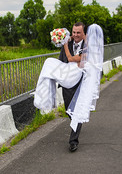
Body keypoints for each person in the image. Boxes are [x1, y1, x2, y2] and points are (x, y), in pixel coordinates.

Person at [33, 22, 104, 152]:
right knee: (68, 110)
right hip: (68, 81)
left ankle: (73, 141)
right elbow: (63, 60)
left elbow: (72, 59)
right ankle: (75, 121)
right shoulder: (69, 41)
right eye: (74, 32)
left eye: (78, 33)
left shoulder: (89, 47)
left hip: (81, 82)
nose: (76, 35)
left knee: (77, 110)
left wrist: (65, 42)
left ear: (84, 34)